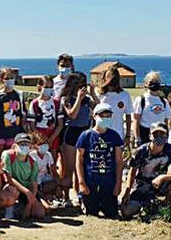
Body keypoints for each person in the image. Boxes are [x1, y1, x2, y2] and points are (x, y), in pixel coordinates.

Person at [121, 122, 171, 219]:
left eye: (162, 134)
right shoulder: (141, 151)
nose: (159, 137)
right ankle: (147, 206)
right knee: (126, 212)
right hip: (142, 187)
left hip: (160, 185)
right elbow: (132, 171)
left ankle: (164, 207)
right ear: (150, 136)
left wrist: (163, 177)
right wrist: (127, 192)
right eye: (155, 134)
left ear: (167, 135)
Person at [75, 103, 124, 219]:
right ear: (94, 116)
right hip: (91, 181)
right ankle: (83, 201)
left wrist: (118, 182)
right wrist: (81, 182)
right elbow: (79, 160)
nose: (105, 118)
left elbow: (119, 161)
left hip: (109, 182)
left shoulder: (115, 136)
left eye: (108, 116)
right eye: (102, 115)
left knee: (111, 213)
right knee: (91, 212)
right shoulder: (86, 135)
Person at [59, 71, 96, 205]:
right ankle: (66, 196)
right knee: (69, 168)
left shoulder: (87, 99)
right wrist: (78, 99)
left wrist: (92, 93)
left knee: (81, 167)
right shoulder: (66, 99)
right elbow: (72, 115)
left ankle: (79, 194)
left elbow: (98, 108)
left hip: (85, 132)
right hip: (71, 133)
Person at [1, 133, 45, 219]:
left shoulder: (33, 162)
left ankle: (24, 206)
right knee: (12, 189)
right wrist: (27, 192)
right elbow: (9, 179)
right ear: (15, 146)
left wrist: (30, 203)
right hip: (14, 188)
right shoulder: (8, 156)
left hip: (27, 189)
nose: (24, 146)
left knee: (40, 214)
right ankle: (9, 210)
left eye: (26, 144)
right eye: (21, 144)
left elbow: (34, 183)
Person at [132, 71, 171, 146]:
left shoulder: (164, 101)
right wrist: (137, 137)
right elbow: (136, 120)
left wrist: (166, 136)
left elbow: (167, 121)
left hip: (160, 133)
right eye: (151, 82)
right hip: (145, 133)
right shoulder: (141, 100)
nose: (154, 84)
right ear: (146, 84)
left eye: (156, 82)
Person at [0, 68, 26, 154]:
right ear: (2, 79)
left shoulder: (19, 95)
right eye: (7, 78)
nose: (9, 80)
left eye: (11, 78)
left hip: (14, 134)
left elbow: (23, 114)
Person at [94, 66, 133, 141]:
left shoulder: (125, 95)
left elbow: (128, 116)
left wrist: (128, 136)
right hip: (101, 135)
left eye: (113, 77)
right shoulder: (99, 94)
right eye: (108, 77)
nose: (111, 79)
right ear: (104, 78)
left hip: (118, 135)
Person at [26, 75, 63, 151]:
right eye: (46, 87)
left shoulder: (56, 103)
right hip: (39, 136)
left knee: (52, 160)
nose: (48, 89)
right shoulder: (34, 103)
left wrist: (51, 139)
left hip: (53, 134)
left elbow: (60, 124)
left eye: (50, 87)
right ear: (39, 87)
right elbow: (32, 125)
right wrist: (41, 139)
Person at [29, 131, 60, 205]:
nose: (43, 146)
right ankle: (41, 198)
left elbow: (54, 171)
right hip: (34, 183)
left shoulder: (48, 155)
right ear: (34, 145)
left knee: (59, 183)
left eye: (45, 143)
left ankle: (48, 197)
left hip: (44, 181)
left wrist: (59, 186)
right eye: (40, 144)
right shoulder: (31, 156)